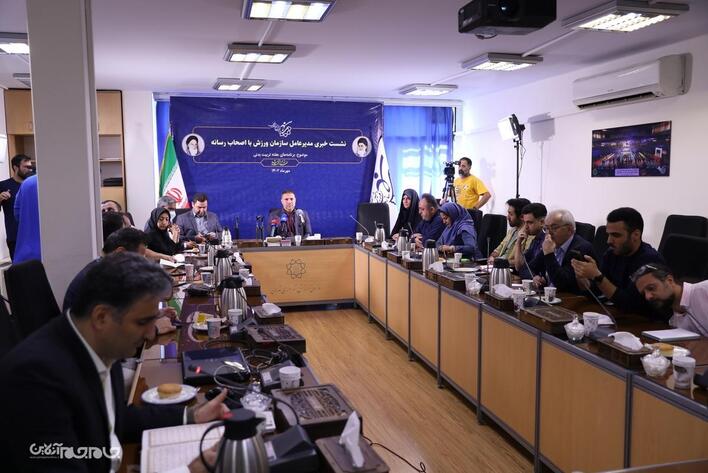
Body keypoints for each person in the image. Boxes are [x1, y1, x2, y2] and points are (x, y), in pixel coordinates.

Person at [0, 253, 227, 473]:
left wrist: (192, 416)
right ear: (102, 317)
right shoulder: (34, 377)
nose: (151, 334)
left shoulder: (104, 343)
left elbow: (114, 417)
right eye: (142, 322)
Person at [572, 207, 664, 314]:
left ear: (636, 235)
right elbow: (597, 292)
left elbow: (629, 304)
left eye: (616, 235)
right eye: (608, 234)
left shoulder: (650, 261)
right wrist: (583, 278)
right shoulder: (611, 254)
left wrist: (598, 276)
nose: (609, 241)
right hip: (616, 313)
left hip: (642, 319)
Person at [527, 209, 594, 293]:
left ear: (569, 229)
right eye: (546, 228)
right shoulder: (553, 243)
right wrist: (535, 276)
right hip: (548, 295)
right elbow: (529, 268)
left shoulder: (580, 249)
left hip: (569, 297)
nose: (549, 233)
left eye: (554, 228)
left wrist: (549, 254)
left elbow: (563, 284)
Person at [632, 263, 708, 334]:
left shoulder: (705, 288)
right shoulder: (673, 322)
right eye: (643, 294)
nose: (648, 297)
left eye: (651, 288)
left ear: (670, 281)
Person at [0, 154, 33, 259]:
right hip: (14, 236)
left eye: (30, 167)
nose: (29, 169)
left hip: (33, 235)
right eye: (26, 167)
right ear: (15, 167)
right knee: (18, 267)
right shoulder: (3, 185)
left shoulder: (34, 185)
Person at [488, 197, 530, 265]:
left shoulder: (529, 236)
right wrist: (492, 257)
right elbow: (498, 249)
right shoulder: (512, 231)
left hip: (509, 268)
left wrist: (500, 263)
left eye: (511, 214)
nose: (507, 217)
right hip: (498, 266)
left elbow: (523, 262)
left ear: (521, 217)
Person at [13, 174, 41, 263]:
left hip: (26, 253)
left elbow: (17, 213)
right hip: (57, 254)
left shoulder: (27, 182)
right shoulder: (65, 181)